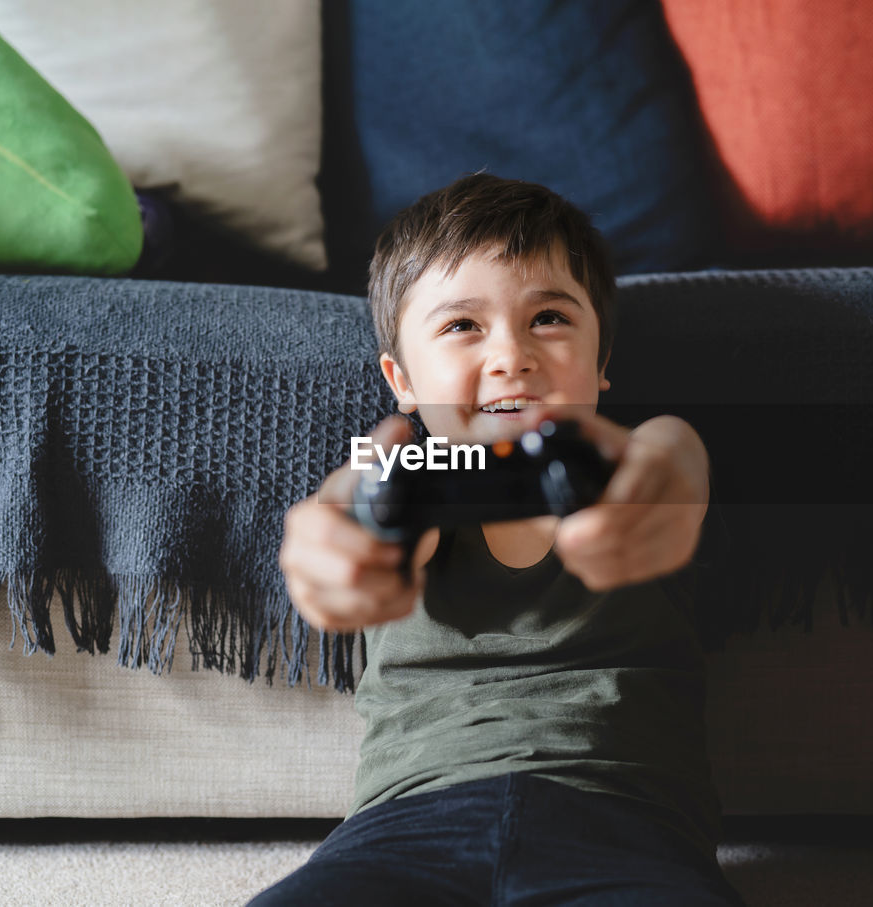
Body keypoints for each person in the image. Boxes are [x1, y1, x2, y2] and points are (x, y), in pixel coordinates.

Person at [255, 174, 744, 905]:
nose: (512, 354)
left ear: (602, 360)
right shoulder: (401, 469)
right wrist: (342, 535)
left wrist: (657, 487)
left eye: (549, 317)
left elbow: (676, 460)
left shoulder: (642, 454)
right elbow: (358, 498)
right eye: (462, 325)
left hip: (624, 824)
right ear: (403, 380)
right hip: (404, 826)